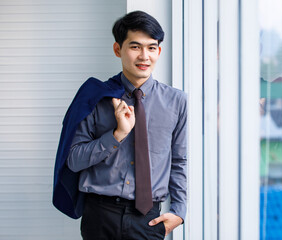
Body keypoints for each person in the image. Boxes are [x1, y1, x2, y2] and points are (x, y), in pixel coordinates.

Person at [52, 10, 187, 240]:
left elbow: (179, 161)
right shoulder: (95, 97)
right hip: (100, 215)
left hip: (148, 219)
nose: (144, 56)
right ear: (118, 49)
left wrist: (180, 212)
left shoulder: (177, 101)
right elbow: (73, 160)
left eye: (151, 47)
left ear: (159, 51)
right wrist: (117, 135)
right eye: (135, 47)